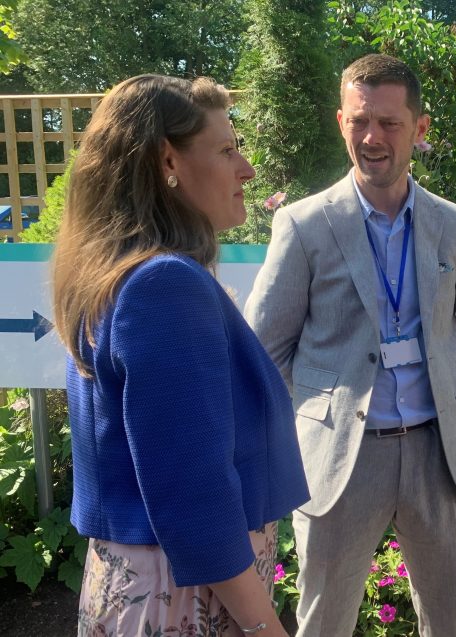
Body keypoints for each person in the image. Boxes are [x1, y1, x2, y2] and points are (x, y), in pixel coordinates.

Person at [244, 53, 456, 636]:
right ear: (341, 121)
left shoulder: (455, 227)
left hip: (437, 456)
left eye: (389, 123)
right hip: (340, 461)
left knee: (448, 620)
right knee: (324, 620)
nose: (372, 137)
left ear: (420, 128)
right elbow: (264, 348)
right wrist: (323, 407)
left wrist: (437, 374)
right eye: (360, 121)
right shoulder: (305, 226)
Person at [52, 74, 309, 637]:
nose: (246, 169)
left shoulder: (119, 275)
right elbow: (192, 490)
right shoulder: (165, 284)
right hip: (183, 598)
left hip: (152, 587)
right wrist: (265, 628)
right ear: (168, 162)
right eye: (226, 150)